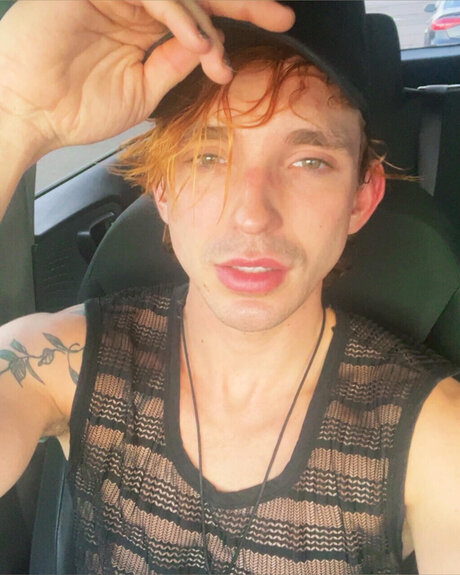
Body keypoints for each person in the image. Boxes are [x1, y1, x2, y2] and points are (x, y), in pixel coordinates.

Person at [0, 1, 459, 574]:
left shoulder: (437, 438)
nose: (252, 216)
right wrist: (13, 112)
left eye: (309, 161)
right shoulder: (56, 362)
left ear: (361, 199)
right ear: (163, 191)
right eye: (208, 156)